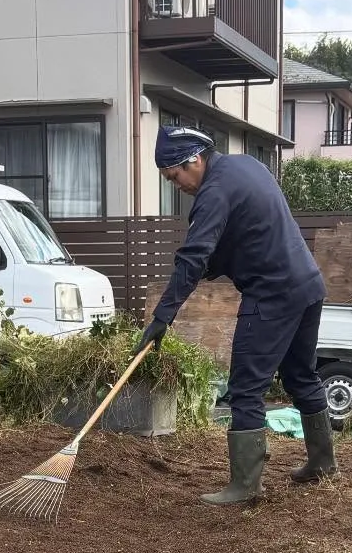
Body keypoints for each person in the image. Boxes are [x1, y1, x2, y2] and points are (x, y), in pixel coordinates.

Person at [137, 125, 335, 505]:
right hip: (307, 286)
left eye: (174, 176)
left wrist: (163, 317)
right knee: (301, 376)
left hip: (272, 294)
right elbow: (247, 232)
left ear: (193, 159)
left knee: (246, 388)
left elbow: (194, 256)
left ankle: (245, 485)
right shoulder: (247, 167)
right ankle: (322, 463)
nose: (176, 185)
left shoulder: (214, 192)